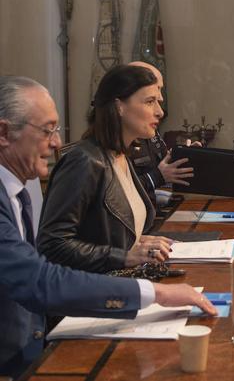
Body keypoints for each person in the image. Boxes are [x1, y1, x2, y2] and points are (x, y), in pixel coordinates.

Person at [0, 75, 216, 378]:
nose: (57, 142)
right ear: (4, 133)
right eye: (47, 130)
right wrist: (152, 290)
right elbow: (43, 274)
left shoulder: (16, 192)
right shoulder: (83, 161)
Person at [38, 65, 178, 273]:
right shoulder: (85, 162)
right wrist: (125, 255)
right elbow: (52, 245)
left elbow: (106, 232)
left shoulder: (120, 153)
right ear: (119, 106)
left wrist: (137, 242)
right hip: (95, 292)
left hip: (119, 281)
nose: (159, 112)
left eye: (158, 102)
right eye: (150, 102)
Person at [126, 61, 194, 204]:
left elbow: (164, 165)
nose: (161, 98)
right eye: (151, 100)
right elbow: (121, 193)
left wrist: (184, 157)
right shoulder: (93, 158)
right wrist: (157, 177)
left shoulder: (146, 130)